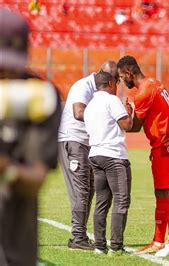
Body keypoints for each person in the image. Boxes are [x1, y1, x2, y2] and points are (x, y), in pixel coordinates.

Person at [0, 8, 61, 265]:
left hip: (15, 246)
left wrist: (6, 168)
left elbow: (36, 178)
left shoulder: (41, 96)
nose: (5, 74)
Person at [117, 56, 169, 257]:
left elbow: (134, 127)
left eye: (123, 77)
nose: (123, 81)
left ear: (129, 73)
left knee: (161, 192)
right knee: (168, 190)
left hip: (165, 144)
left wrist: (126, 113)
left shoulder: (144, 92)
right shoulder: (154, 83)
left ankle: (158, 242)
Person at [58, 60, 118, 251]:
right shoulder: (83, 86)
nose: (115, 84)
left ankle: (79, 235)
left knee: (88, 188)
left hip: (85, 143)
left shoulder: (101, 92)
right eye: (114, 79)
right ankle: (77, 237)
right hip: (73, 139)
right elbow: (78, 112)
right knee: (82, 189)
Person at [84, 72, 133, 256]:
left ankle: (99, 246)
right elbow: (127, 124)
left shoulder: (90, 105)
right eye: (117, 83)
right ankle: (116, 247)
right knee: (121, 200)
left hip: (96, 155)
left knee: (102, 202)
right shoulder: (112, 100)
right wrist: (129, 111)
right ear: (111, 83)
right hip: (113, 156)